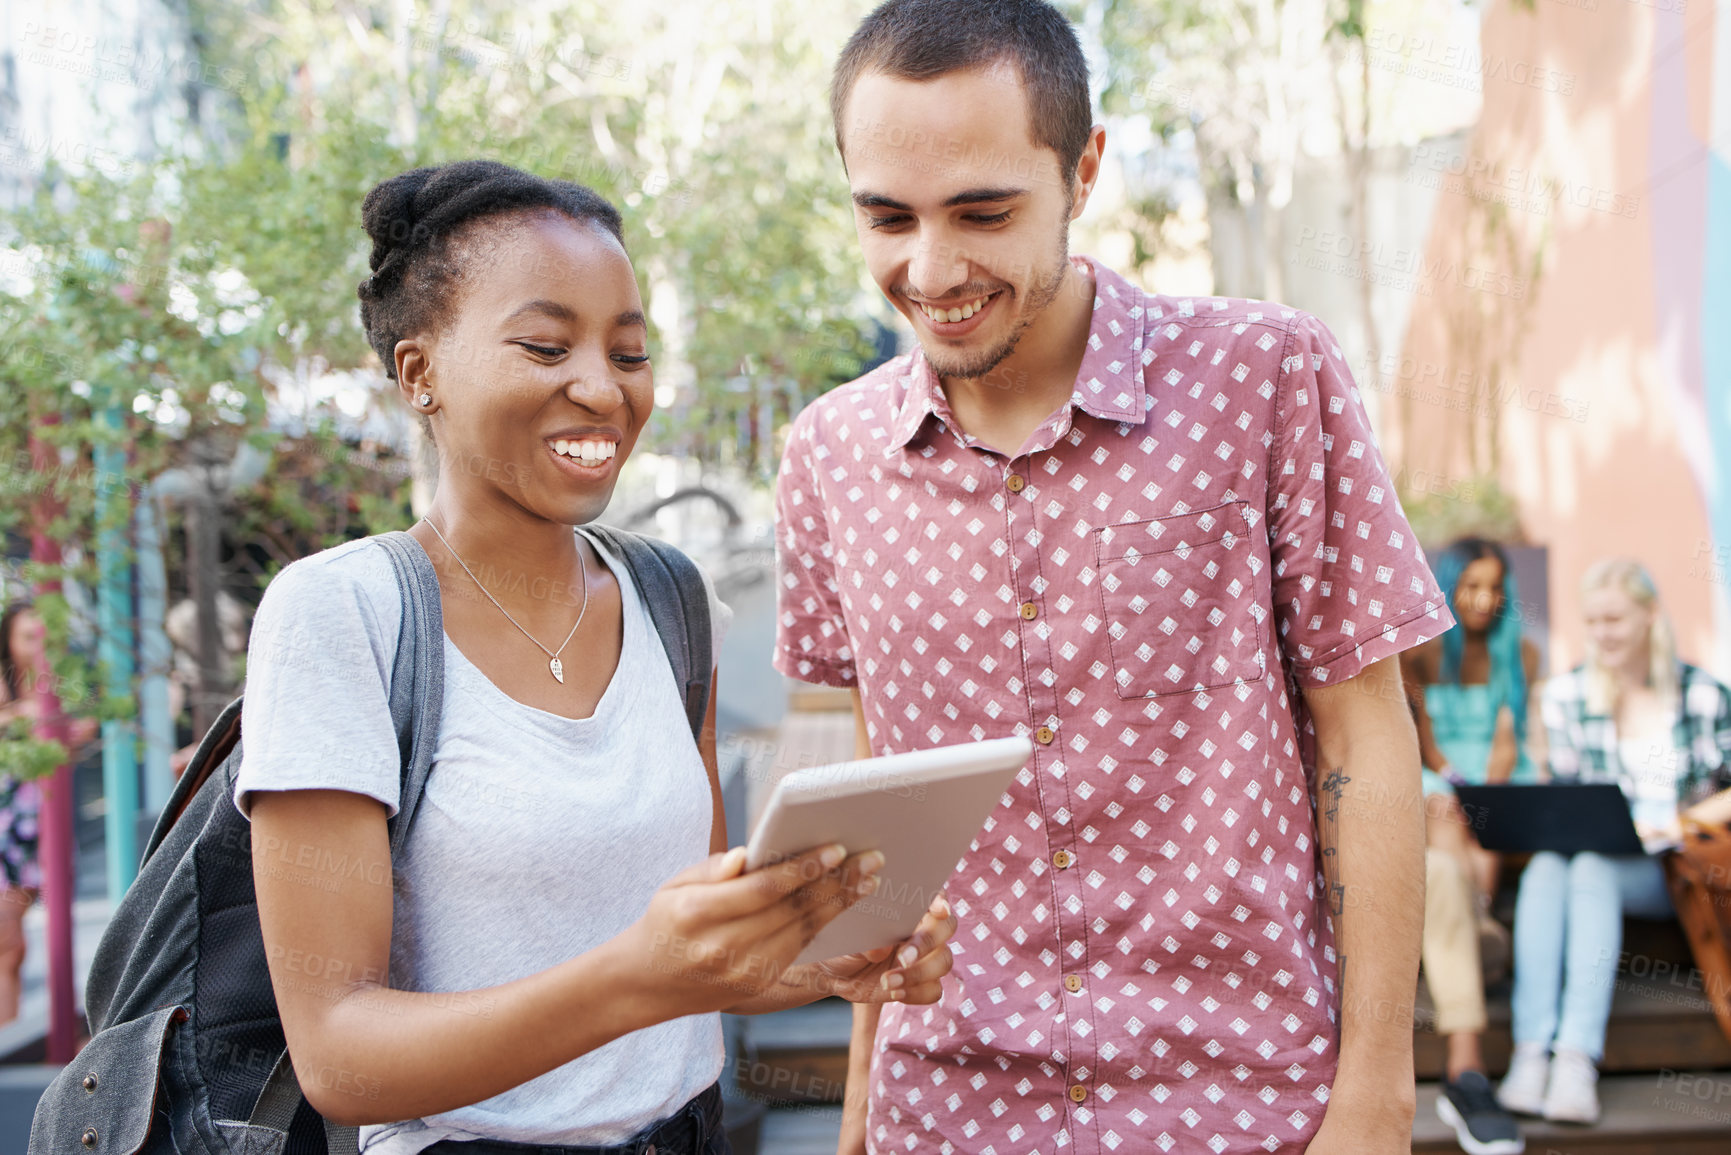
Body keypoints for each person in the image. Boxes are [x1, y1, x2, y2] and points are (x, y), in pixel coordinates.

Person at [771, 3, 1455, 1152]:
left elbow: (1366, 737)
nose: (931, 269)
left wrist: (1376, 1099)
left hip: (1246, 1104)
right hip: (949, 1113)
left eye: (983, 212)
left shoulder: (1265, 376)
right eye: (887, 217)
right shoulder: (830, 459)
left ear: (1084, 170)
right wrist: (861, 1110)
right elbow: (884, 801)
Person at [240, 160, 957, 1155]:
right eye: (545, 344)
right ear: (419, 374)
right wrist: (638, 976)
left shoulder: (666, 597)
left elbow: (702, 949)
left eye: (628, 352)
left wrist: (829, 959)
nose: (601, 387)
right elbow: (337, 1060)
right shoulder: (340, 616)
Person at [1498, 558, 1731, 1125]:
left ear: (1649, 616)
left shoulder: (1702, 694)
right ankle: (1532, 1055)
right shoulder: (1569, 696)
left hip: (1672, 863)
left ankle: (1574, 1057)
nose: (1601, 633)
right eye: (1592, 621)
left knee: (1591, 869)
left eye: (1614, 620)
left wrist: (1672, 826)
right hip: (1593, 858)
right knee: (1555, 863)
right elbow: (1570, 800)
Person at [1400, 538, 1539, 1152]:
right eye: (1473, 585)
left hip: (1493, 776)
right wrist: (1459, 784)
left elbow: (1509, 737)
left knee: (1469, 833)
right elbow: (1424, 740)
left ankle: (1478, 922)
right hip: (1444, 778)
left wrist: (1490, 789)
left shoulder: (1518, 653)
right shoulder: (1420, 655)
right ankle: (1481, 928)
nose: (1486, 599)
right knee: (1442, 807)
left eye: (1495, 587)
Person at [0, 602, 97, 1026]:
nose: (35, 647)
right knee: (8, 940)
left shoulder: (60, 686)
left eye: (42, 637)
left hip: (45, 825)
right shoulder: (6, 687)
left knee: (24, 941)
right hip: (6, 827)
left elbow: (85, 729)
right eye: (26, 637)